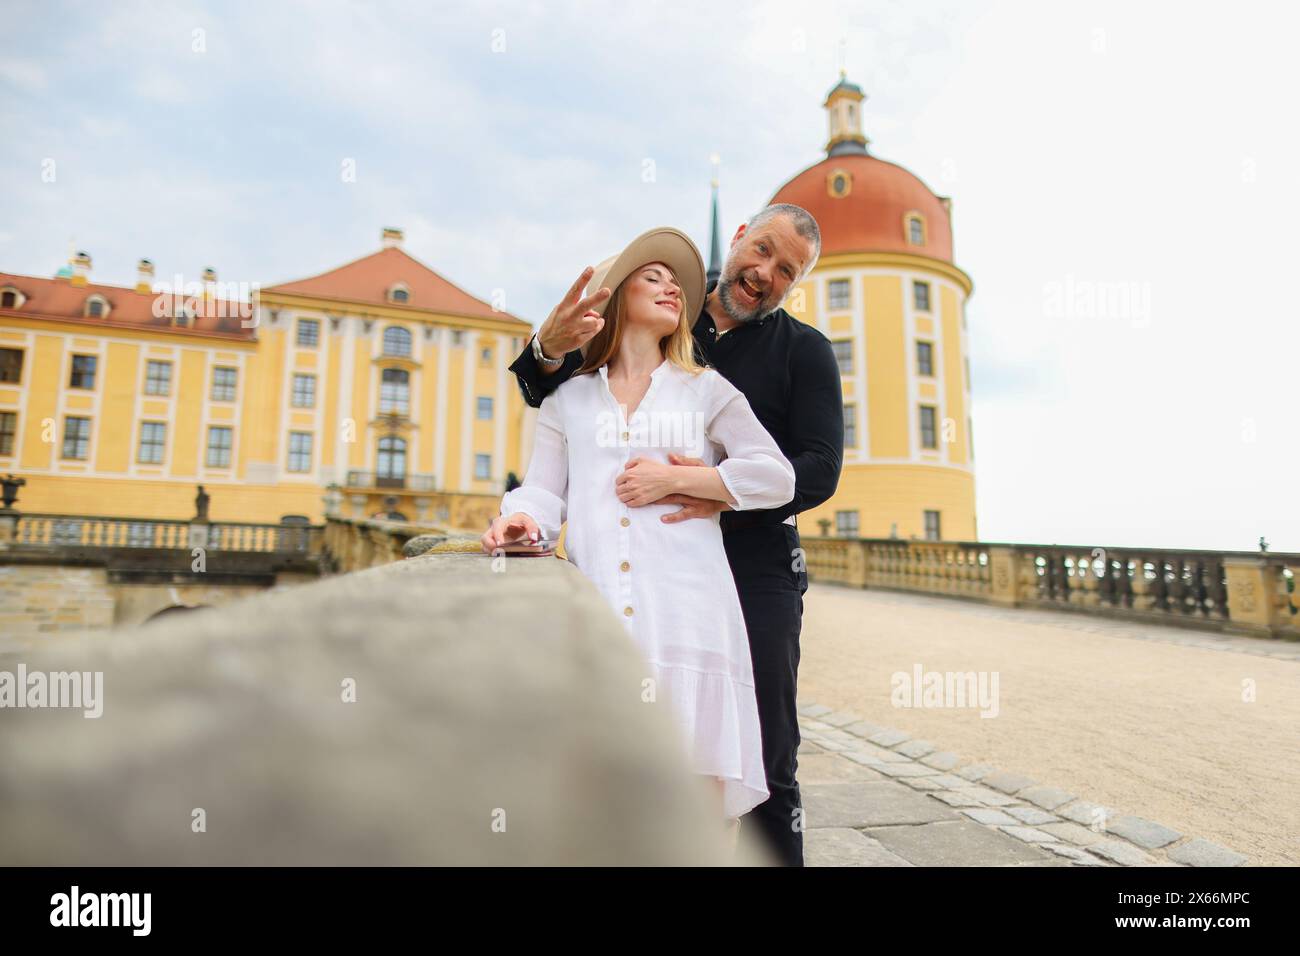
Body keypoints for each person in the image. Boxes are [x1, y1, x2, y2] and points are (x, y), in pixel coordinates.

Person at [506, 204, 843, 866]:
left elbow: (818, 468)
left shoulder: (802, 350)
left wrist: (705, 484)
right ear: (741, 233)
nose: (766, 273)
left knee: (766, 757)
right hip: (646, 562)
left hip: (756, 570)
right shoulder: (668, 307)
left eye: (787, 270)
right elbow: (542, 387)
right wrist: (547, 346)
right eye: (764, 251)